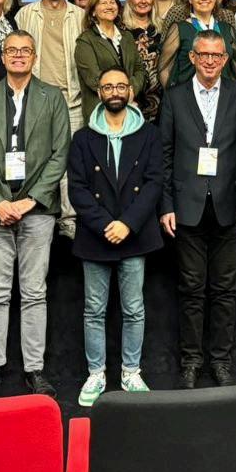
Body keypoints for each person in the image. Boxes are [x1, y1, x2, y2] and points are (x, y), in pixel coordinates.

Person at [0, 30, 69, 400]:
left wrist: (31, 201)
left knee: (34, 292)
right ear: (3, 57)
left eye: (26, 50)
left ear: (34, 57)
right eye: (12, 50)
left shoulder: (52, 97)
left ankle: (34, 370)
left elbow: (60, 154)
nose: (19, 55)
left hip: (37, 212)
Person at [158, 30, 236, 388]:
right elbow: (164, 154)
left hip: (229, 206)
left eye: (217, 56)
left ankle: (220, 360)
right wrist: (166, 204)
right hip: (186, 206)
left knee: (225, 289)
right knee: (190, 288)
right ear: (192, 58)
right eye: (204, 55)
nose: (211, 62)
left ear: (226, 60)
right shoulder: (174, 96)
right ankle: (191, 360)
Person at [68, 68, 164, 406]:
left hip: (134, 234)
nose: (114, 91)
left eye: (120, 86)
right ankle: (96, 374)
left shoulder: (149, 134)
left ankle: (130, 371)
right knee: (94, 310)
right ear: (99, 92)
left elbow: (154, 183)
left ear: (130, 92)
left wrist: (127, 224)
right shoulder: (83, 138)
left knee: (134, 308)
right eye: (108, 86)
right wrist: (106, 225)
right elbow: (77, 188)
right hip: (96, 234)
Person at [15, 0, 85, 237]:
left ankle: (69, 220)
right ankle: (38, 213)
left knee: (70, 161)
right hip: (37, 98)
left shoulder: (80, 15)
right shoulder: (25, 15)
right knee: (37, 159)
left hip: (73, 99)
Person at [75, 0, 148, 121]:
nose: (109, 6)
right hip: (101, 112)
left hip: (130, 108)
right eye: (103, 3)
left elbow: (139, 69)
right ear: (93, 11)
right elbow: (93, 78)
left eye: (112, 2)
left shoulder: (127, 37)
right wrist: (122, 92)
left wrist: (130, 91)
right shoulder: (85, 40)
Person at [159, 0, 236, 88]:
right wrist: (174, 97)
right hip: (188, 96)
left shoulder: (226, 29)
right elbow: (164, 68)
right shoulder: (179, 29)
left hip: (223, 96)